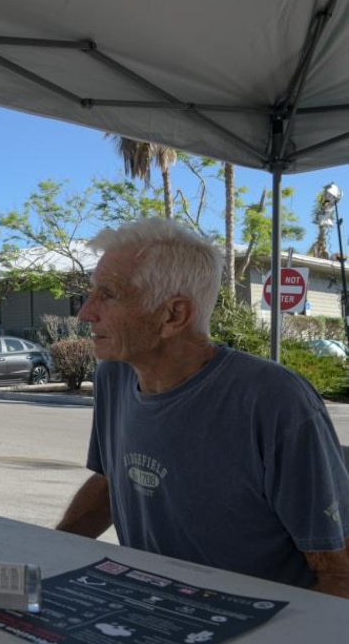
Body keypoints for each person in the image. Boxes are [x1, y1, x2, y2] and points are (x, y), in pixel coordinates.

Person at [55, 217, 349, 596]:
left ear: (174, 315)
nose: (85, 312)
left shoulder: (275, 401)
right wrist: (48, 556)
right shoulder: (114, 376)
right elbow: (114, 482)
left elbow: (339, 571)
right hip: (153, 611)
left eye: (108, 294)